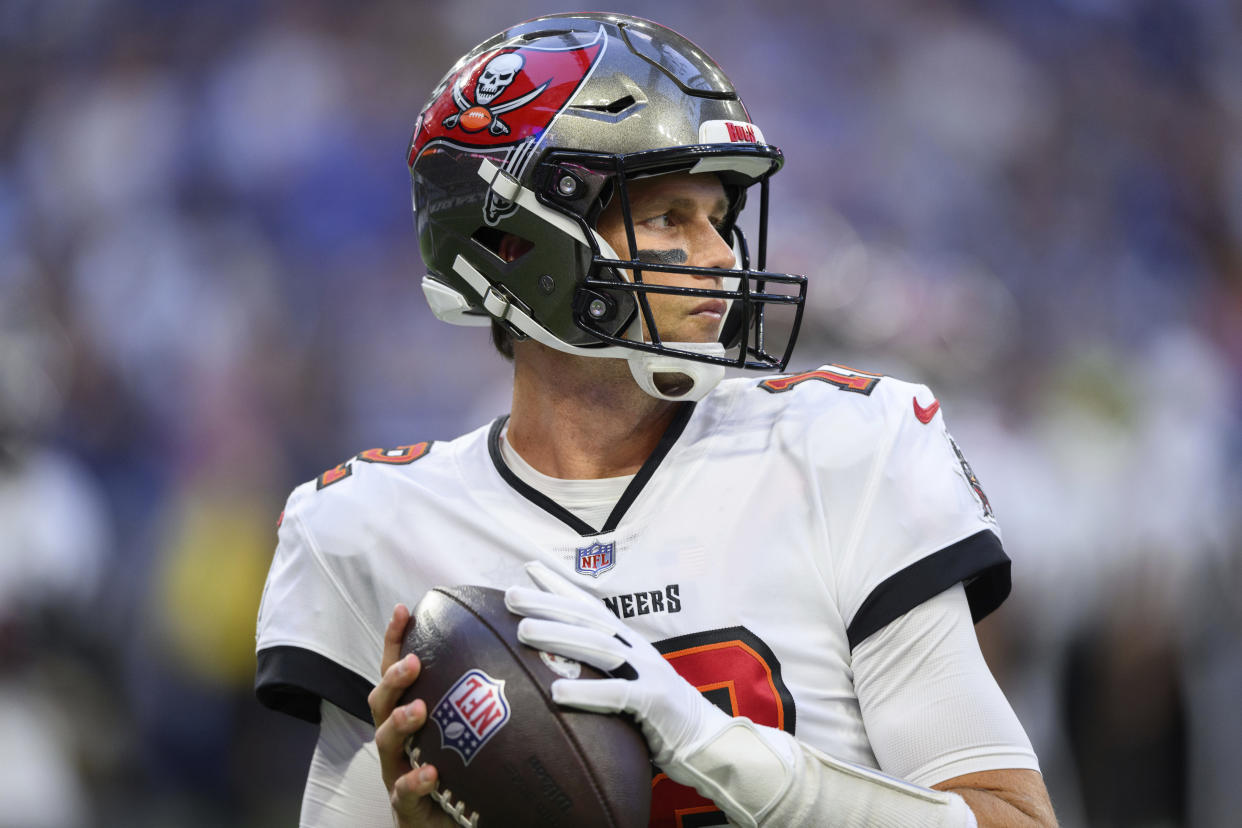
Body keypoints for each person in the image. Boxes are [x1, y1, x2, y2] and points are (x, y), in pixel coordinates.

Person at [255, 12, 1057, 827]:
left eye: (719, 218)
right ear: (517, 243)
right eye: (671, 217)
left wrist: (711, 747)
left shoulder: (845, 450)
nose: (721, 256)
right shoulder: (372, 530)